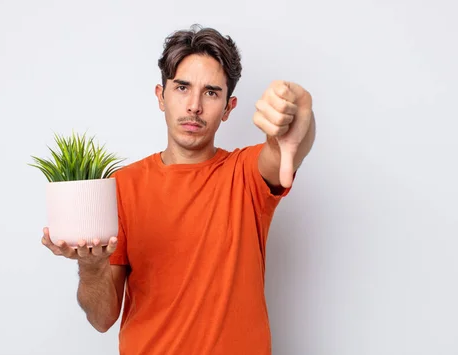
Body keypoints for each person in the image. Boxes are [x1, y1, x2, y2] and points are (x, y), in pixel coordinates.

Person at [41, 24, 316, 354]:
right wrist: (91, 266)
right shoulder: (123, 186)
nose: (194, 106)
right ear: (161, 96)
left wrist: (299, 110)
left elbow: (287, 149)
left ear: (229, 107)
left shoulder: (246, 174)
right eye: (182, 88)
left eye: (211, 92)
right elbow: (101, 319)